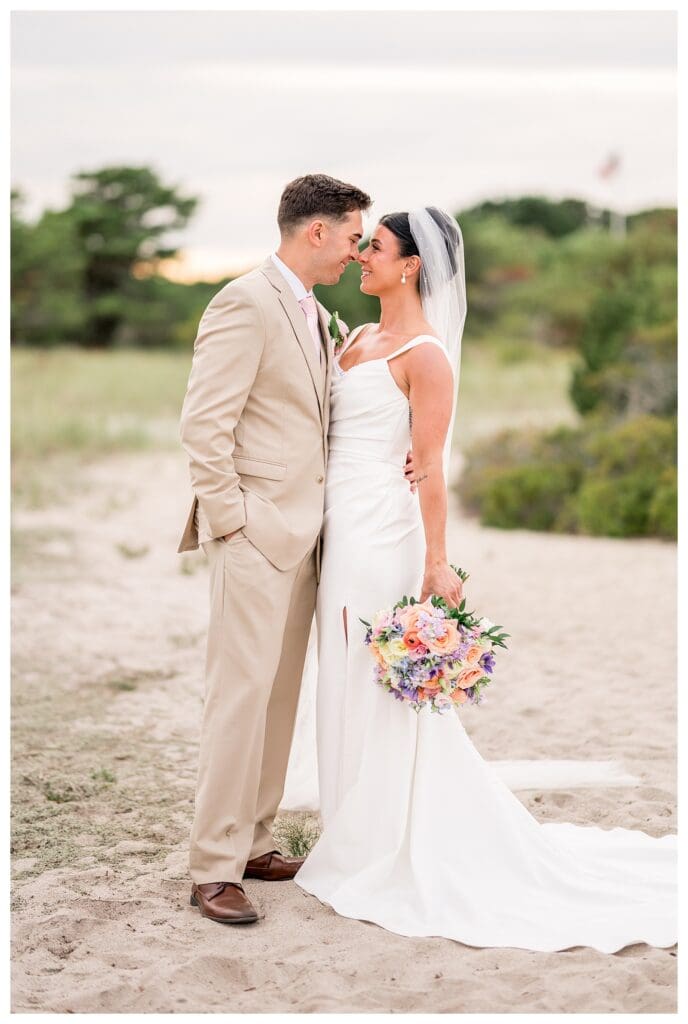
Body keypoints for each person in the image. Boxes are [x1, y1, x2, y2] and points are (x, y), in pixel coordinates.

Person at [293, 207, 677, 953]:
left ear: (411, 266)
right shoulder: (359, 336)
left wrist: (437, 561)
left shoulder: (426, 355)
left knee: (372, 676)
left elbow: (431, 467)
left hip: (381, 532)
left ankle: (378, 839)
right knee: (337, 670)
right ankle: (349, 824)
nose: (362, 255)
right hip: (336, 527)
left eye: (376, 247)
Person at [177, 174, 416, 925]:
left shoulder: (313, 311)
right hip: (254, 536)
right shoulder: (244, 302)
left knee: (278, 699)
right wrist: (233, 522)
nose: (356, 252)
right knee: (238, 700)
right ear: (317, 232)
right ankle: (213, 868)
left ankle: (253, 842)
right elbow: (203, 425)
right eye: (352, 237)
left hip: (308, 540)